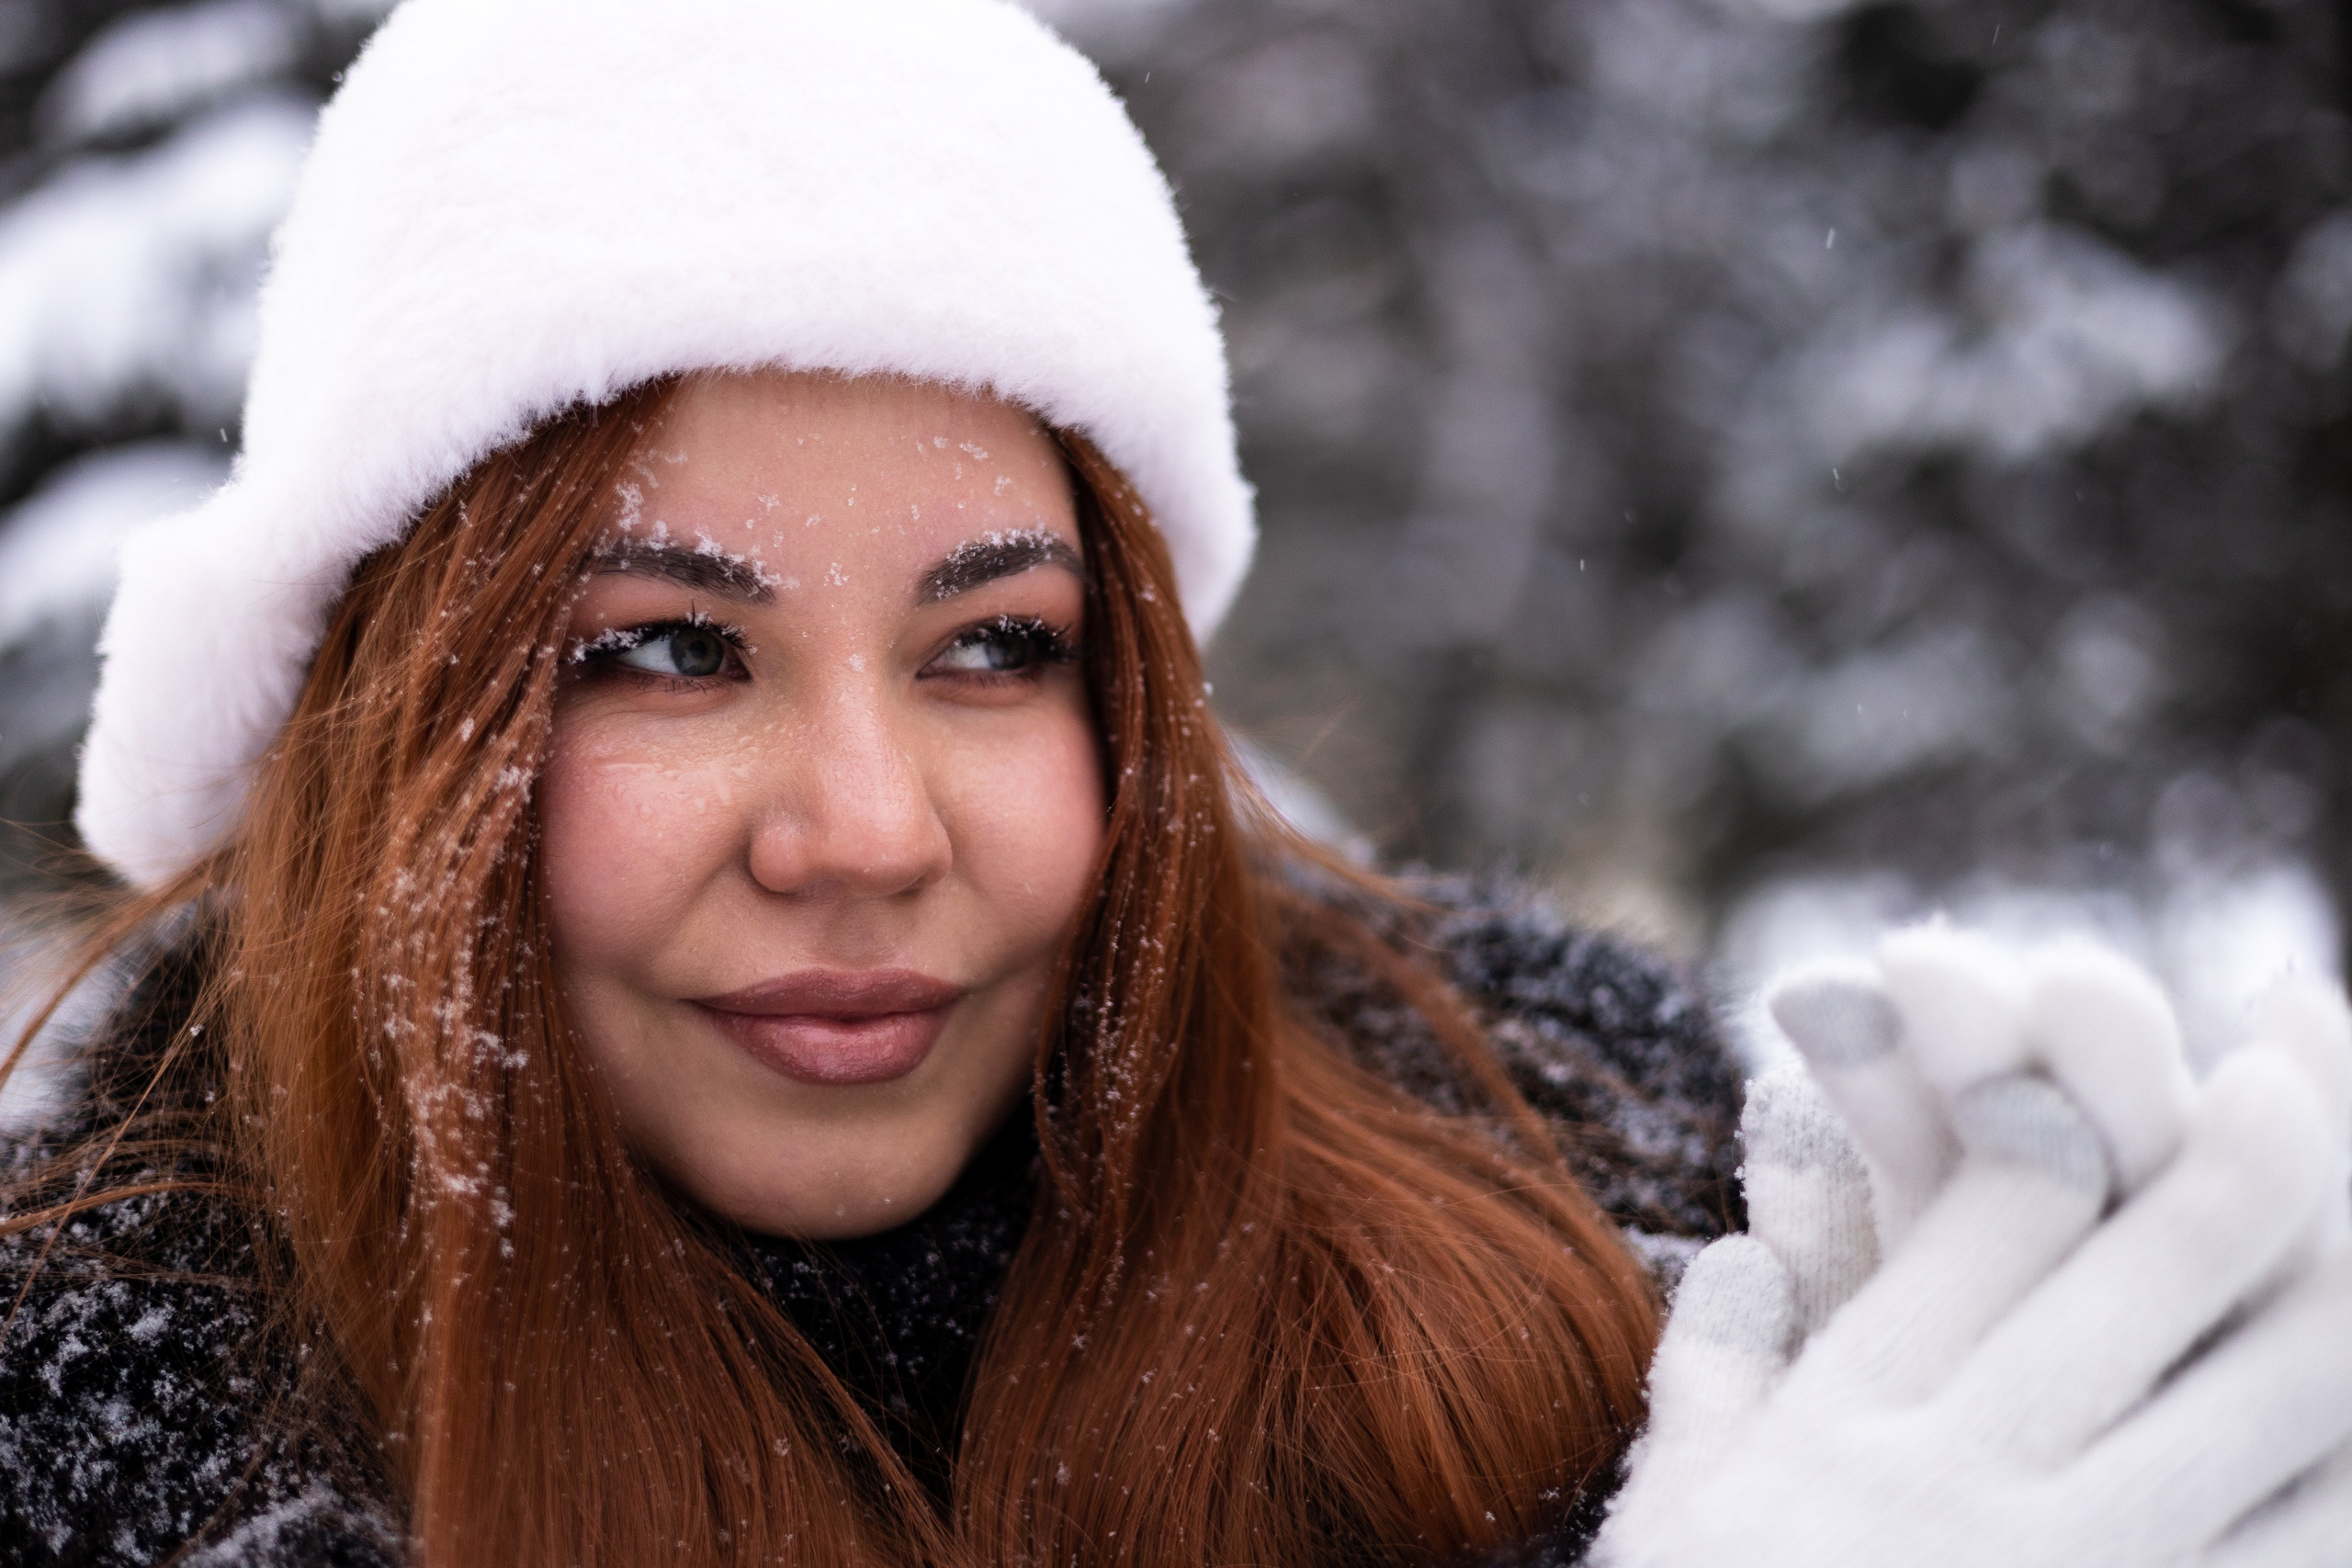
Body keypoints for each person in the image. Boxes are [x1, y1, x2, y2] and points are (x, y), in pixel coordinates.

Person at [1, 3, 2347, 1565]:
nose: (866, 828)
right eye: (668, 652)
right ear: (392, 729)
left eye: (992, 647)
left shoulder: (1605, 1235)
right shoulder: (96, 1447)